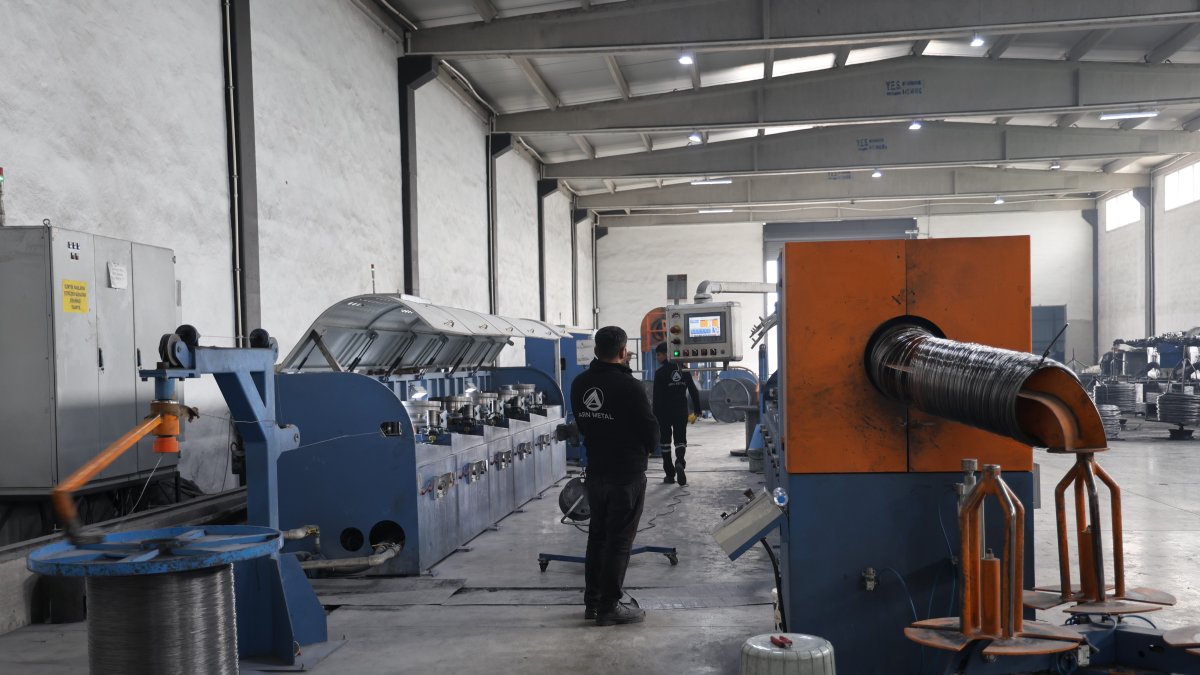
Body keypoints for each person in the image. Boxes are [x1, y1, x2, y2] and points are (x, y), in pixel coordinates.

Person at [571, 326, 659, 626]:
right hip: (626, 474)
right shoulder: (629, 387)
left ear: (596, 350)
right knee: (619, 540)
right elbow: (650, 429)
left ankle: (593, 602)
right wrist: (648, 448)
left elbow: (583, 426)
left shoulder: (580, 383)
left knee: (598, 537)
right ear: (623, 352)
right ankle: (610, 606)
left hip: (597, 472)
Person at [652, 342, 700, 486]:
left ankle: (669, 474)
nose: (657, 358)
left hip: (663, 413)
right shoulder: (684, 370)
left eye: (658, 355)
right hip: (680, 410)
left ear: (666, 354)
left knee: (665, 442)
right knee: (680, 439)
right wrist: (697, 409)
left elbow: (656, 397)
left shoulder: (660, 373)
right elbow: (693, 391)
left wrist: (655, 415)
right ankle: (680, 461)